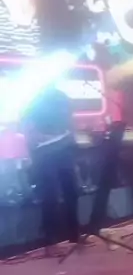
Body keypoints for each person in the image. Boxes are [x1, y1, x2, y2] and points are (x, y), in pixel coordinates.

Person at [21, 88, 79, 253]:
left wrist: (72, 138)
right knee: (50, 195)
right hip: (44, 153)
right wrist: (33, 140)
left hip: (64, 149)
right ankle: (50, 242)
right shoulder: (36, 100)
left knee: (72, 192)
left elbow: (69, 120)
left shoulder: (63, 97)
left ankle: (75, 235)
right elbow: (26, 124)